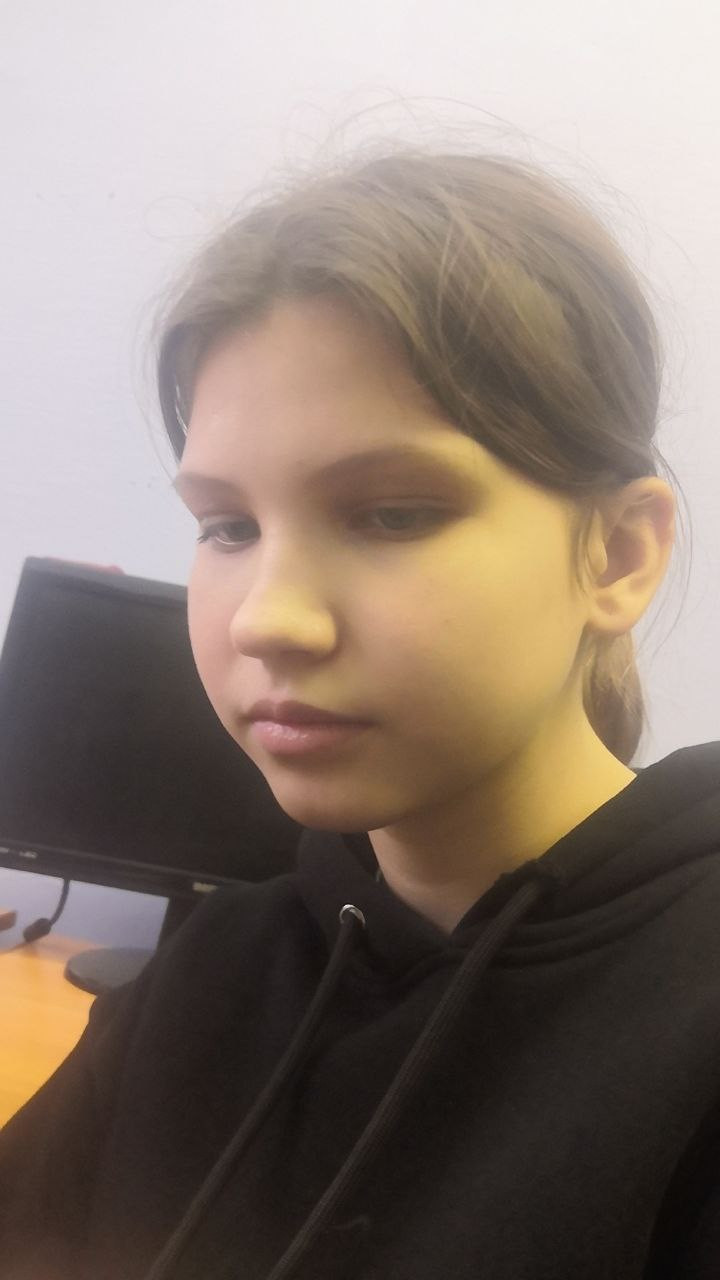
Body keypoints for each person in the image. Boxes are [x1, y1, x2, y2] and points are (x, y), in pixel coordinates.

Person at [1, 144, 718, 1280]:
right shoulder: (211, 975)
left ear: (618, 555)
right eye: (228, 526)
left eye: (391, 513)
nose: (267, 620)